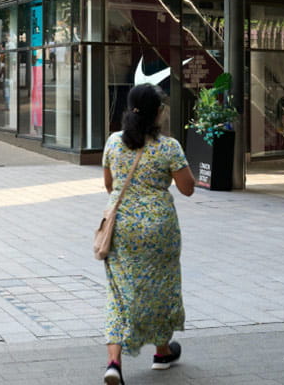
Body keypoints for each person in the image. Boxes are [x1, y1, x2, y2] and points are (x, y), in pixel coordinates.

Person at [101, 83, 195, 385]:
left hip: (122, 228)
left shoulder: (114, 142)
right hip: (160, 229)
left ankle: (114, 363)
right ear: (159, 111)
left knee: (118, 293)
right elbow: (188, 188)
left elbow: (109, 184)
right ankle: (161, 352)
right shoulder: (168, 147)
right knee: (162, 287)